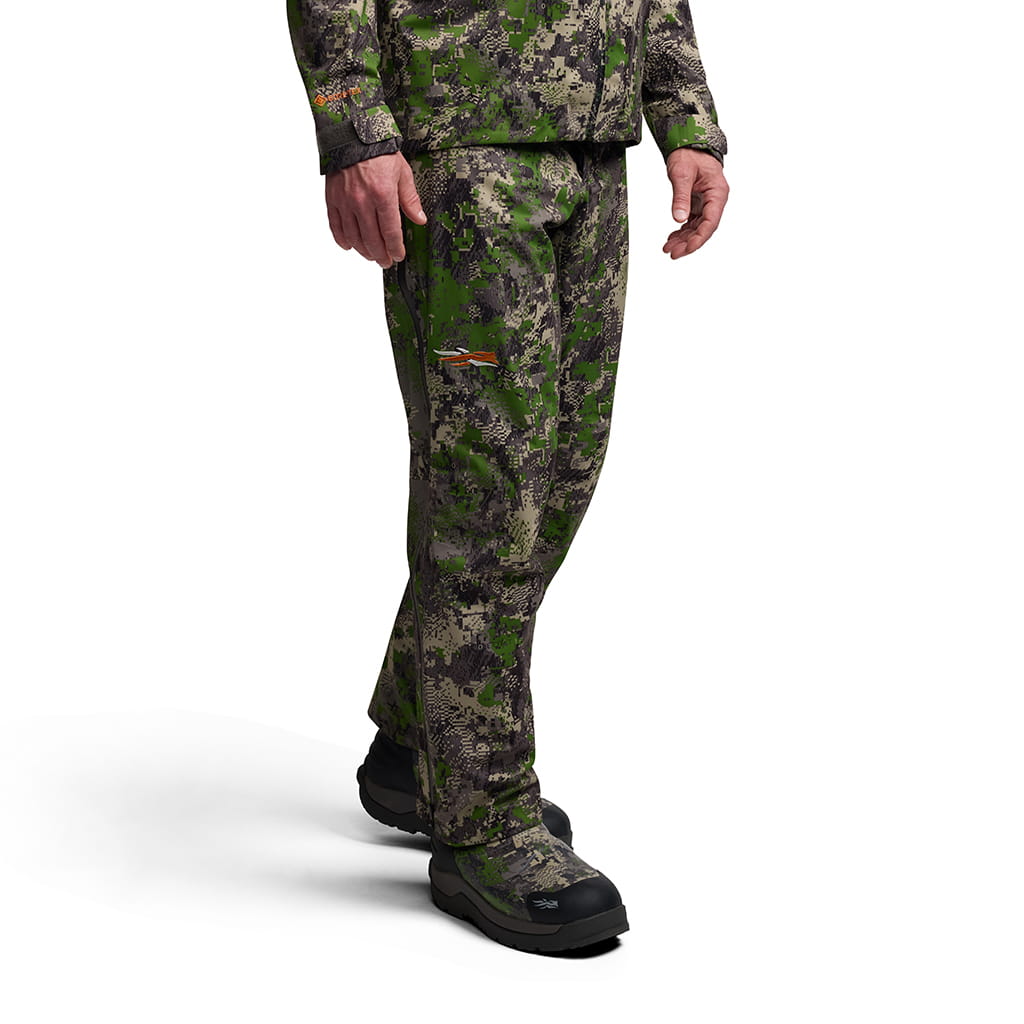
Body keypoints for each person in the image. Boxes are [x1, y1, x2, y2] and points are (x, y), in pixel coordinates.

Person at [285, 0, 730, 953]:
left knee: (564, 472)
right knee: (488, 496)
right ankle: (482, 817)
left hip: (592, 147)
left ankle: (420, 743)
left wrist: (685, 114)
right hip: (461, 148)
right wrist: (354, 124)